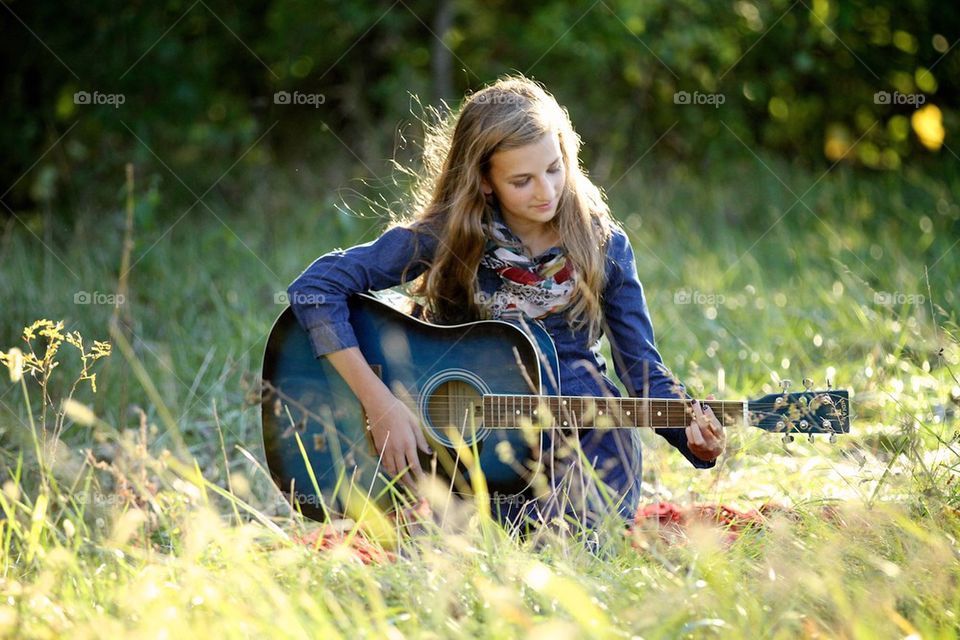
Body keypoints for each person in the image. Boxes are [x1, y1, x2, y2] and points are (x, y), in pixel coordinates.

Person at [286, 74, 725, 539]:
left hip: (583, 440)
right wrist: (380, 405)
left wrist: (691, 433)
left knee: (577, 542)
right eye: (522, 180)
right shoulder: (449, 237)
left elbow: (642, 372)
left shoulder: (604, 246)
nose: (546, 191)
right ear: (485, 181)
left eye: (555, 169)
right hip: (465, 453)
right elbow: (316, 289)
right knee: (461, 543)